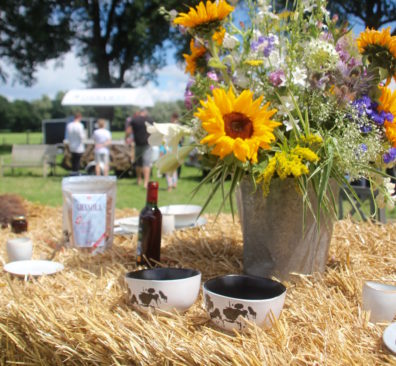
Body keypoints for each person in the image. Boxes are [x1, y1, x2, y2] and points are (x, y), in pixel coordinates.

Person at [128, 109, 154, 188]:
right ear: (145, 113)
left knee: (138, 163)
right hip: (147, 144)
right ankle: (146, 182)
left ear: (140, 113)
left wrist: (126, 138)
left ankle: (139, 179)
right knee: (146, 164)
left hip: (137, 144)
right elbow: (153, 131)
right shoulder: (150, 120)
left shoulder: (134, 120)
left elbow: (128, 130)